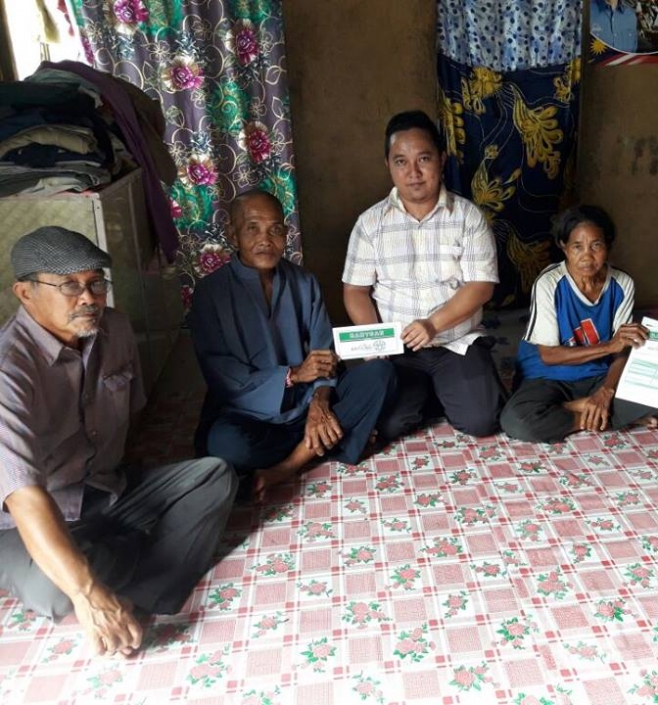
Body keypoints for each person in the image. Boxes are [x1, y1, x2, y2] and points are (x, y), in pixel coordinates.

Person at [0, 227, 236, 658]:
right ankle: (121, 569)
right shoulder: (8, 371)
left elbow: (136, 415)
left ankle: (124, 578)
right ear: (25, 292)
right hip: (35, 518)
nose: (88, 298)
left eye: (96, 283)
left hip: (108, 489)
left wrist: (136, 491)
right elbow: (24, 497)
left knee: (214, 476)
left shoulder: (116, 329)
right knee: (54, 590)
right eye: (69, 285)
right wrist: (87, 592)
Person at [190, 190, 397, 502]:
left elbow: (325, 355)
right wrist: (293, 375)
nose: (266, 240)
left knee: (380, 373)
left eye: (275, 229)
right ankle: (327, 441)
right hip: (250, 414)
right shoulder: (210, 293)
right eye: (253, 228)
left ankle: (288, 465)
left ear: (286, 234)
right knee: (224, 445)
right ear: (232, 234)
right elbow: (224, 376)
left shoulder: (304, 282)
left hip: (307, 405)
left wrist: (319, 402)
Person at [342, 110, 503, 440]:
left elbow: (481, 286)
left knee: (481, 420)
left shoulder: (468, 217)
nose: (413, 173)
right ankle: (437, 391)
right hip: (399, 350)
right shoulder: (370, 224)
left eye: (424, 159)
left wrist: (432, 325)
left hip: (456, 342)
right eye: (401, 162)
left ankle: (451, 386)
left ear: (441, 160)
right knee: (389, 425)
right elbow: (355, 291)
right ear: (388, 165)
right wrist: (376, 347)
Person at [500, 205, 658, 443]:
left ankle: (579, 408)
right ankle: (593, 414)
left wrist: (606, 391)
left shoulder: (622, 284)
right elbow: (549, 356)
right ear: (563, 246)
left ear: (608, 246)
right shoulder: (549, 283)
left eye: (596, 245)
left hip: (598, 376)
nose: (587, 256)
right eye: (577, 246)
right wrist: (609, 346)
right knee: (516, 420)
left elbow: (622, 351)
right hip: (549, 377)